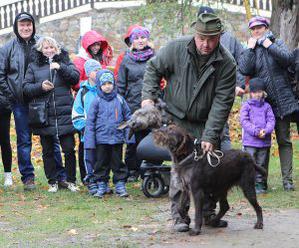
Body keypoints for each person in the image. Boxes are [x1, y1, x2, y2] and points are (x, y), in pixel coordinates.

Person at [142, 13, 236, 232]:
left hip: (207, 121)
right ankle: (180, 216)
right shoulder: (176, 48)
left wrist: (211, 136)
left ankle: (207, 213)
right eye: (201, 38)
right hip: (177, 120)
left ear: (219, 37)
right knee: (180, 170)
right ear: (195, 34)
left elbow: (222, 102)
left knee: (212, 168)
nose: (206, 44)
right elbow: (153, 69)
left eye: (211, 39)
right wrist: (148, 96)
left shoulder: (227, 63)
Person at [0, 12, 65, 190]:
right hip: (19, 101)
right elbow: (1, 75)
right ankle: (28, 177)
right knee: (24, 140)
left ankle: (60, 176)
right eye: (22, 25)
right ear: (16, 27)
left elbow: (59, 57)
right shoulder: (7, 48)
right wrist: (11, 95)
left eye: (28, 24)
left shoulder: (41, 44)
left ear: (33, 26)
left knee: (51, 137)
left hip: (42, 98)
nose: (25, 28)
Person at [238, 16, 298, 191]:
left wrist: (269, 46)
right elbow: (244, 69)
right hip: (263, 105)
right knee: (262, 144)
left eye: (259, 27)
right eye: (253, 29)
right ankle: (260, 181)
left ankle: (287, 180)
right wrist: (250, 49)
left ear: (266, 28)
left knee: (284, 141)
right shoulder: (250, 49)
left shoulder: (276, 43)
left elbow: (288, 59)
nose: (256, 31)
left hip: (284, 101)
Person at [23, 36, 79, 193]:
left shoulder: (65, 61)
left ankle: (71, 181)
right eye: (46, 48)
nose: (49, 50)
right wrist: (40, 87)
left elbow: (75, 78)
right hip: (44, 115)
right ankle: (52, 182)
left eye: (51, 47)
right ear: (40, 49)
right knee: (47, 151)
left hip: (64, 113)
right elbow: (26, 88)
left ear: (57, 49)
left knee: (69, 149)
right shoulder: (33, 66)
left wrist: (60, 67)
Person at [197, 5, 245, 151]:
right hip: (200, 94)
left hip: (221, 90)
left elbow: (242, 62)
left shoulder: (229, 39)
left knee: (221, 127)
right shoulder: (194, 41)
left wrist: (239, 84)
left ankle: (226, 165)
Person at [73, 30, 113, 183]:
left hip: (101, 101)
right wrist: (87, 84)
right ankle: (86, 175)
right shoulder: (80, 60)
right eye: (93, 44)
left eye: (98, 44)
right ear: (87, 45)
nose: (96, 47)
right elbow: (75, 80)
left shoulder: (101, 59)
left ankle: (101, 174)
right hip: (86, 99)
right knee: (85, 144)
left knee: (101, 145)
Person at [84, 69, 132, 198]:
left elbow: (128, 118)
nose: (107, 86)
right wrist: (90, 141)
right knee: (101, 163)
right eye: (104, 84)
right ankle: (102, 184)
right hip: (101, 139)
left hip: (117, 138)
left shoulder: (120, 100)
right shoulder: (96, 101)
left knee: (117, 162)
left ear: (114, 84)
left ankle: (120, 184)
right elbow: (90, 123)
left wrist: (129, 137)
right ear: (100, 86)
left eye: (109, 83)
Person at [117, 25, 155, 181]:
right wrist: (120, 105)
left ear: (147, 39)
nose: (140, 40)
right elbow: (121, 85)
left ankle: (151, 168)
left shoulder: (155, 57)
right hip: (132, 104)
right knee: (134, 139)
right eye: (137, 38)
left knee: (153, 137)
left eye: (143, 37)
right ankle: (133, 170)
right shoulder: (126, 59)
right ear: (132, 41)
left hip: (152, 104)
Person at [72, 59, 102, 195]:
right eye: (95, 70)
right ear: (89, 73)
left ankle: (102, 180)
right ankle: (91, 180)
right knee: (90, 157)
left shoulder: (105, 89)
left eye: (99, 69)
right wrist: (84, 127)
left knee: (102, 157)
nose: (98, 72)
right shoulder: (82, 92)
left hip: (103, 132)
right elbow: (77, 111)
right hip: (88, 132)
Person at [240, 78, 275, 194]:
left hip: (264, 142)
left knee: (262, 163)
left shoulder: (267, 107)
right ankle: (249, 183)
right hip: (250, 142)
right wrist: (255, 131)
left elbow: (271, 120)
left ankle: (260, 184)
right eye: (255, 92)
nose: (258, 94)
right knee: (250, 163)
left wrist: (266, 130)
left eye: (260, 92)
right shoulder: (246, 106)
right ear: (251, 93)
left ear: (263, 92)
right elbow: (244, 121)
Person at [0, 73, 13, 187]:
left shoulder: (3, 57)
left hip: (2, 106)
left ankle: (8, 174)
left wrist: (8, 98)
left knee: (4, 141)